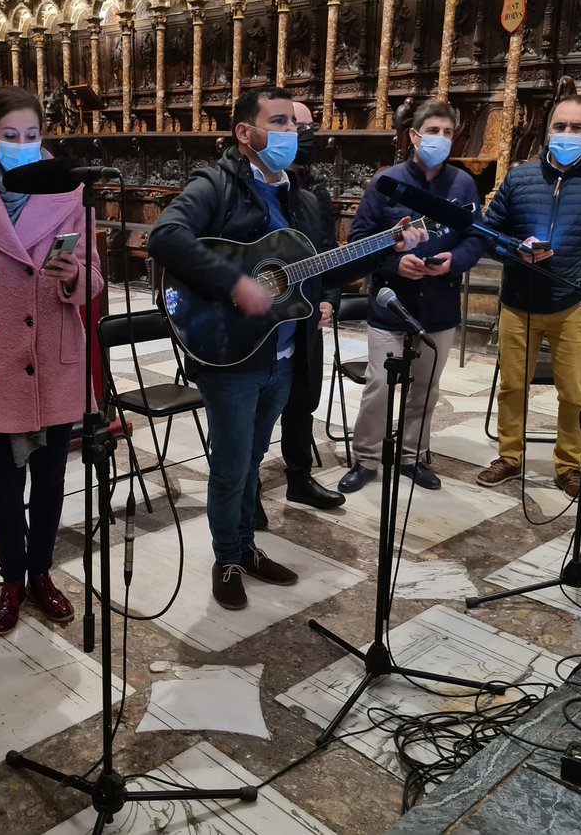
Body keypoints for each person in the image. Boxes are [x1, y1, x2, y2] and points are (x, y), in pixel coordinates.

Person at [148, 87, 425, 611]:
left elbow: (322, 267)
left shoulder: (301, 196)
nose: (291, 133)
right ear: (244, 132)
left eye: (295, 124)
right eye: (277, 122)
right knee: (231, 466)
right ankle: (226, 558)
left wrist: (386, 247)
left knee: (253, 459)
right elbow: (166, 236)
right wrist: (235, 284)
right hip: (230, 350)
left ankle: (245, 547)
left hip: (282, 351)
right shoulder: (216, 184)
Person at [0, 85, 103, 636]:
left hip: (52, 357)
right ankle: (12, 581)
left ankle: (41, 575)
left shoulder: (71, 191)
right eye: (10, 136)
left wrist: (75, 278)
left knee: (53, 481)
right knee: (6, 490)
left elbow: (96, 277)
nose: (22, 145)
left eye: (31, 136)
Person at [476, 94, 581, 498]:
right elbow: (488, 235)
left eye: (576, 128)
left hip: (575, 303)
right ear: (548, 129)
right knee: (512, 386)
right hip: (520, 302)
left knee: (575, 391)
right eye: (560, 126)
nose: (566, 134)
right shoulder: (520, 178)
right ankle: (509, 456)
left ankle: (570, 464)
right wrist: (514, 250)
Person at [339, 100, 485, 495]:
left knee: (425, 389)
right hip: (391, 304)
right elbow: (358, 243)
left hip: (438, 307)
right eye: (433, 131)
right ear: (414, 135)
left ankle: (412, 456)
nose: (440, 139)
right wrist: (393, 263)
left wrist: (453, 261)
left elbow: (476, 238)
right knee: (379, 389)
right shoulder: (386, 182)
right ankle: (366, 459)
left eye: (448, 132)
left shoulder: (463, 184)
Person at [255, 100, 345, 531]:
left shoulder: (315, 192)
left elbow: (329, 253)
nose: (302, 134)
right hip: (261, 322)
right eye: (293, 125)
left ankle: (299, 477)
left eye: (307, 126)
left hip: (305, 313)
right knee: (253, 418)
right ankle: (247, 492)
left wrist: (329, 297)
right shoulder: (250, 186)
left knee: (303, 400)